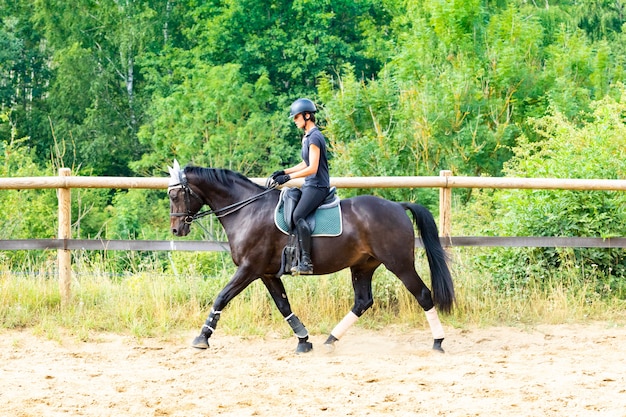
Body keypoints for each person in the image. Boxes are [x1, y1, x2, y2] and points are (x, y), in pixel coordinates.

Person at [271, 98, 330, 275]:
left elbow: (312, 168)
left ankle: (306, 261)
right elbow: (305, 163)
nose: (295, 120)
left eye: (297, 117)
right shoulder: (307, 137)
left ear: (307, 116)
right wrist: (283, 171)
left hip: (318, 186)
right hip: (311, 184)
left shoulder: (315, 137)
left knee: (298, 215)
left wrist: (288, 178)